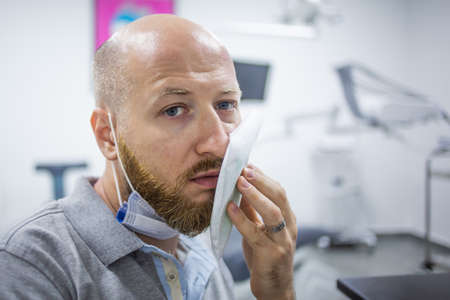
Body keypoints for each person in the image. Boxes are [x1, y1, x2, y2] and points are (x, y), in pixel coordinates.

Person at [0, 14, 297, 300]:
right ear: (107, 135)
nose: (219, 144)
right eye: (174, 109)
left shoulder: (205, 258)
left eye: (225, 104)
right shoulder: (30, 265)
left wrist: (277, 292)